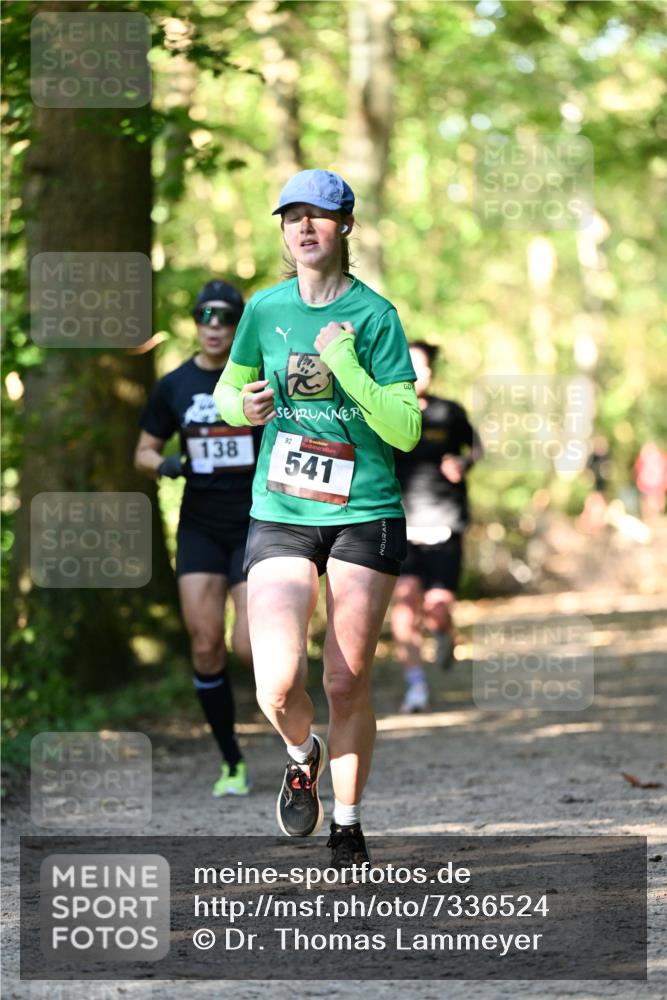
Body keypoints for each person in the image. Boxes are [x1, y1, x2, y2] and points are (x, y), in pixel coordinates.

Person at [213, 168, 421, 867]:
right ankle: (303, 753)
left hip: (364, 511)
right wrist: (241, 408)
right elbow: (228, 388)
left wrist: (345, 363)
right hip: (281, 507)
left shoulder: (375, 316)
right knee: (273, 679)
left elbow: (403, 430)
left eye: (319, 215)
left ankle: (348, 822)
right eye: (291, 216)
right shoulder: (264, 310)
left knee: (343, 679)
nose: (303, 227)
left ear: (346, 227)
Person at [135, 280, 260, 797]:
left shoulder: (257, 378)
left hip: (257, 520)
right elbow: (142, 450)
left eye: (226, 318)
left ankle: (302, 744)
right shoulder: (174, 385)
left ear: (238, 326)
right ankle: (231, 760)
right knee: (206, 645)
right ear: (195, 322)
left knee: (251, 647)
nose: (214, 326)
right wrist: (168, 463)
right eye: (205, 317)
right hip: (201, 527)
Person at [390, 341, 481, 712]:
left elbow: (477, 448)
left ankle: (445, 631)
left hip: (444, 521)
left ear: (431, 372)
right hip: (400, 522)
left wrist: (463, 463)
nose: (414, 374)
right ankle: (415, 685)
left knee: (436, 607)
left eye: (421, 367)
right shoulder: (387, 412)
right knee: (405, 599)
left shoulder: (449, 413)